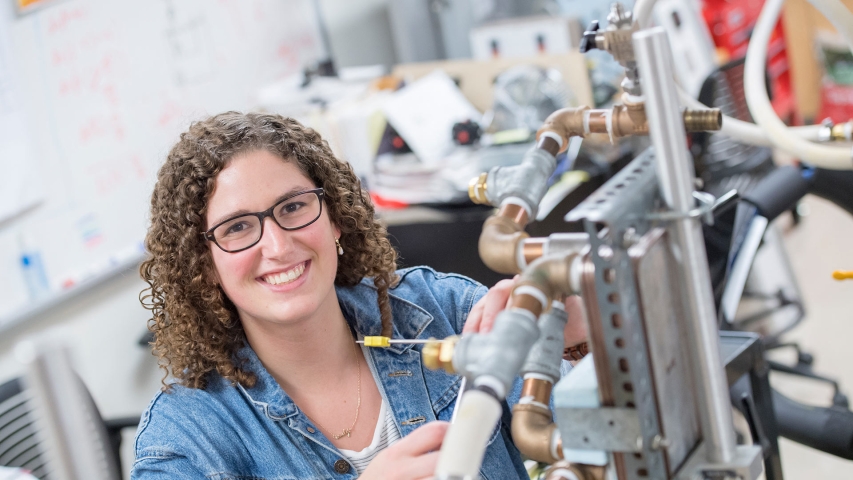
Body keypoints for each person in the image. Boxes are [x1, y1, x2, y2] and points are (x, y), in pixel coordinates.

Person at [132, 111, 587, 480]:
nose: (278, 246)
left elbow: (599, 433)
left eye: (293, 207)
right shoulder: (189, 436)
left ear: (334, 218)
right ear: (204, 265)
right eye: (237, 228)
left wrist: (585, 336)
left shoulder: (439, 312)